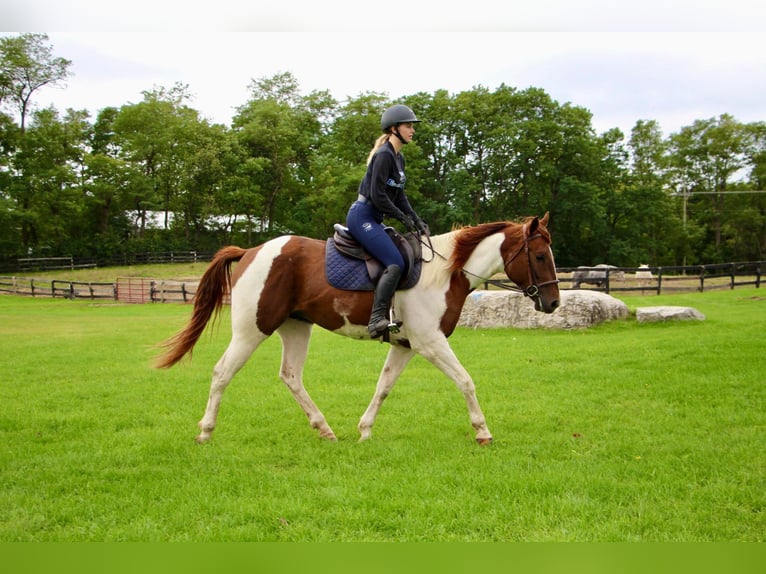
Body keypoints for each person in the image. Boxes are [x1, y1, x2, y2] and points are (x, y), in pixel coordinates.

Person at [346, 104, 429, 338]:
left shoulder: (398, 158)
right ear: (394, 129)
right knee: (395, 262)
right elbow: (378, 196)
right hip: (362, 216)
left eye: (413, 126)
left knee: (402, 255)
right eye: (408, 126)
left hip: (374, 217)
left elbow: (399, 195)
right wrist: (401, 217)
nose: (412, 131)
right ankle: (376, 320)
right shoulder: (383, 155)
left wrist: (415, 219)